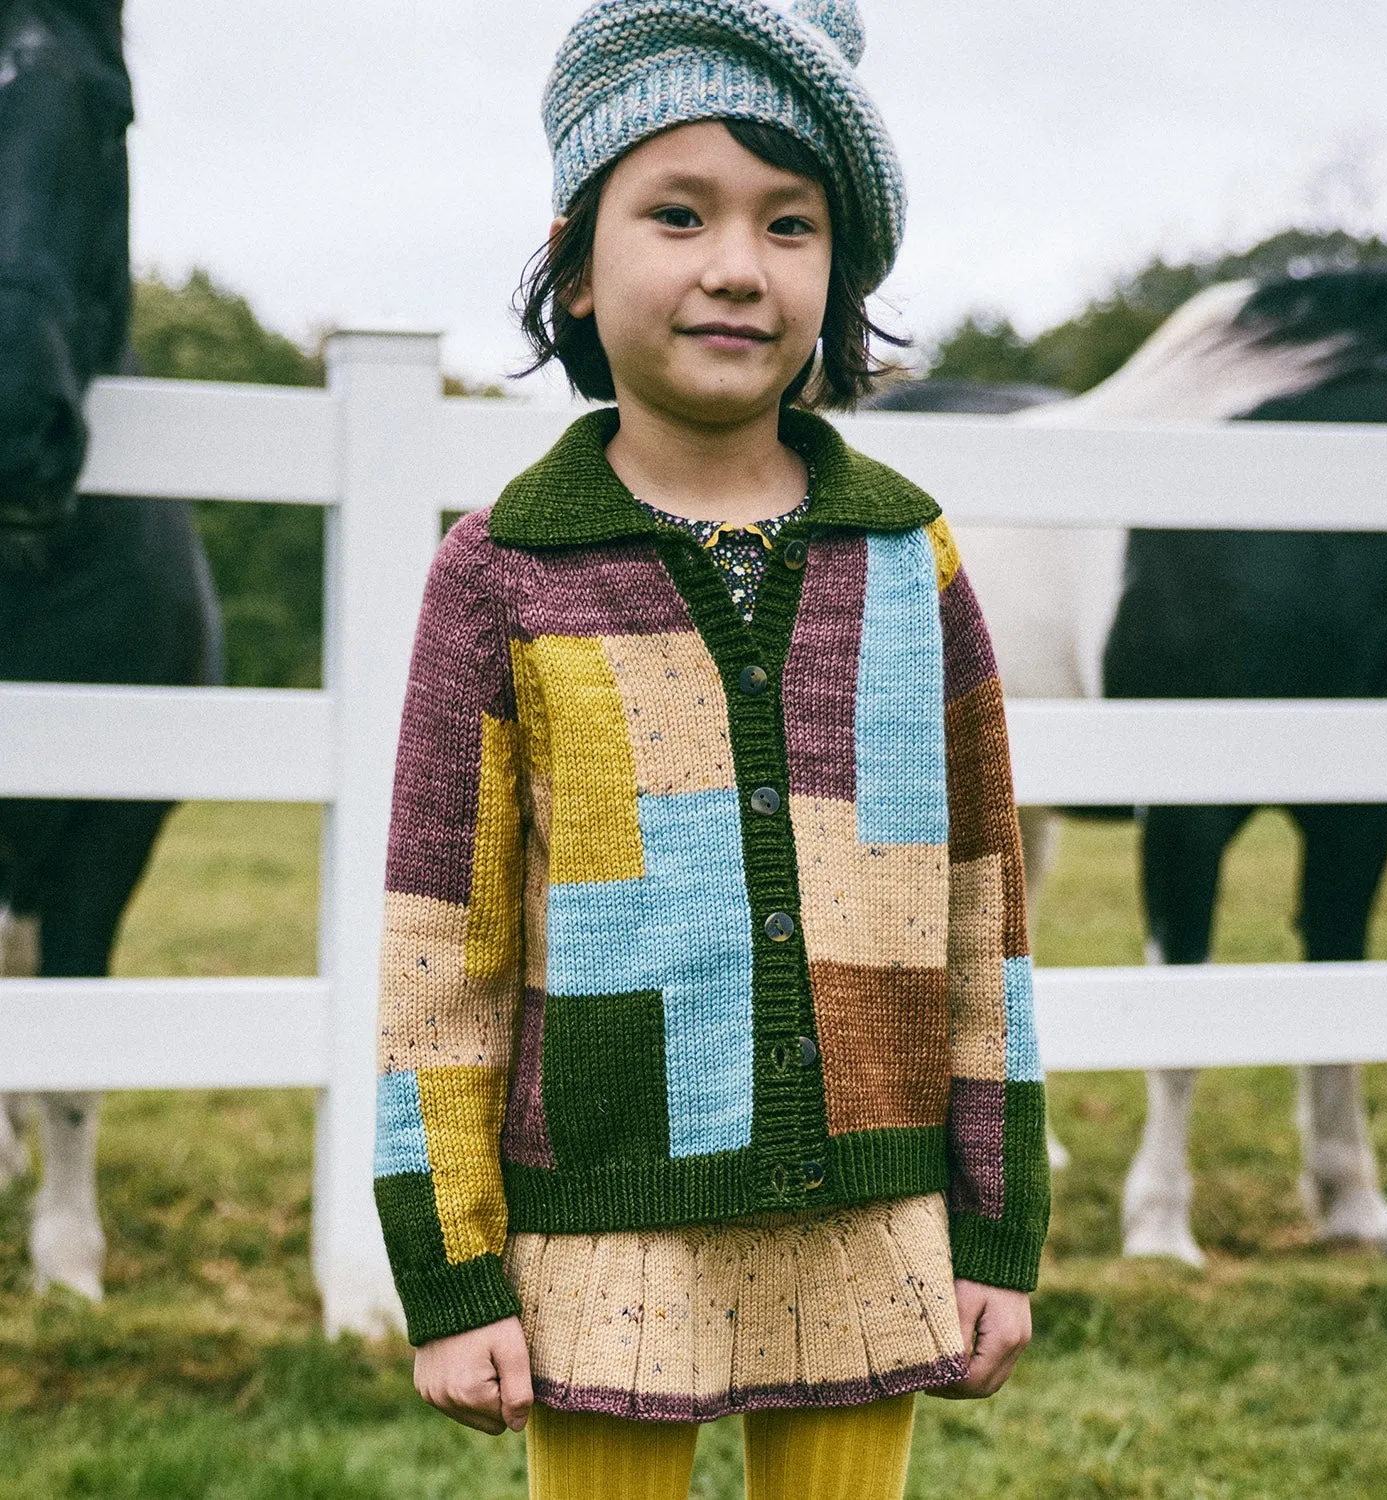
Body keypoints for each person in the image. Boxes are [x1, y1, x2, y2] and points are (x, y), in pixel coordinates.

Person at [372, 2, 1050, 1495]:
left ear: (841, 270)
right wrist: (454, 1269)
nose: (737, 265)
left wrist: (997, 1223)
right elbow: (445, 950)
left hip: (873, 1219)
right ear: (573, 257)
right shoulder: (501, 576)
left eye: (790, 225)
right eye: (677, 212)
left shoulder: (905, 560)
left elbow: (982, 911)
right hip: (600, 1231)